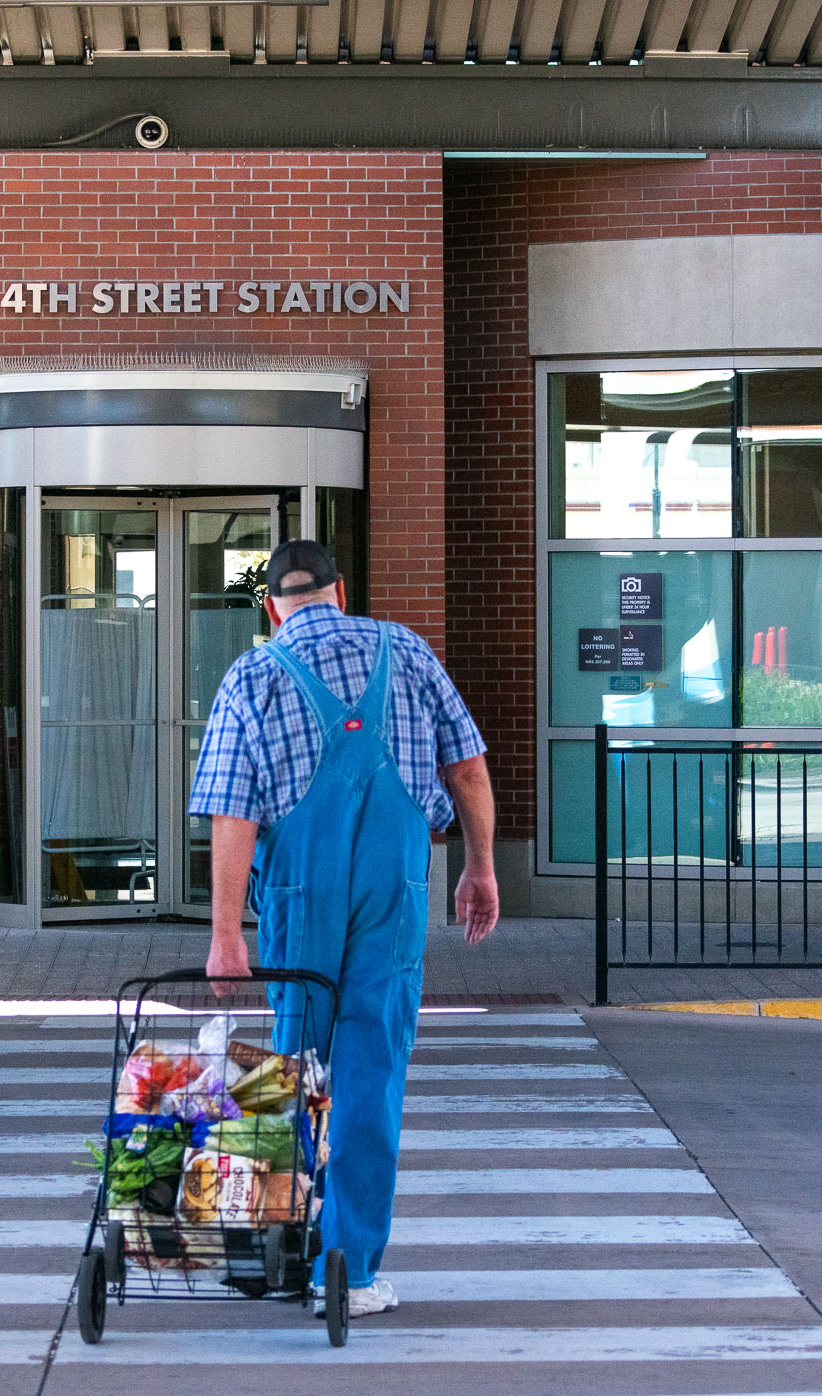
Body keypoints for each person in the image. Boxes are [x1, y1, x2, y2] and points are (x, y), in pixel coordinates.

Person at [188, 538, 499, 1319]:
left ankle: (270, 1254)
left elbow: (234, 812)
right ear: (340, 592)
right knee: (371, 1069)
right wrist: (480, 867)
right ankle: (350, 1273)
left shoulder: (255, 674)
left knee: (286, 1066)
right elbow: (466, 768)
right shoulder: (409, 650)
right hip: (394, 886)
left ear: (272, 609)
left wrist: (228, 933)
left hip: (300, 889)